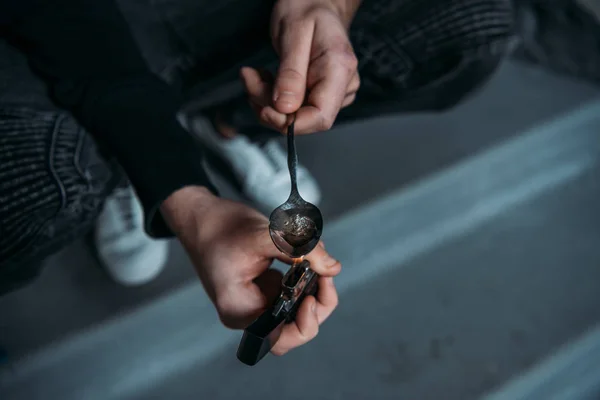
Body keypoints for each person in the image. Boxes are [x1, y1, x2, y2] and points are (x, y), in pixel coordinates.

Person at [0, 0, 515, 357]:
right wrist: (178, 189)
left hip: (237, 13)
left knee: (474, 21)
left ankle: (226, 123)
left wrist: (329, 7)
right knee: (33, 182)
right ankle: (121, 156)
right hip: (75, 27)